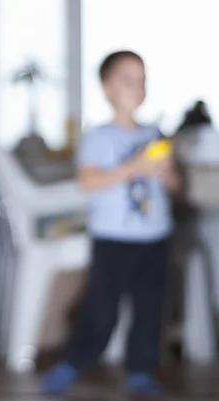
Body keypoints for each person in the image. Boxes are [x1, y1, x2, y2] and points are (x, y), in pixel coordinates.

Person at [40, 50, 181, 397]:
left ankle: (140, 370)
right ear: (106, 88)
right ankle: (73, 361)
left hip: (154, 238)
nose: (137, 87)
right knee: (102, 311)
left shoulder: (155, 134)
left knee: (150, 310)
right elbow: (87, 182)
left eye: (142, 80)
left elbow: (176, 185)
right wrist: (133, 167)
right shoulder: (98, 137)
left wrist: (164, 173)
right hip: (113, 239)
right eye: (127, 80)